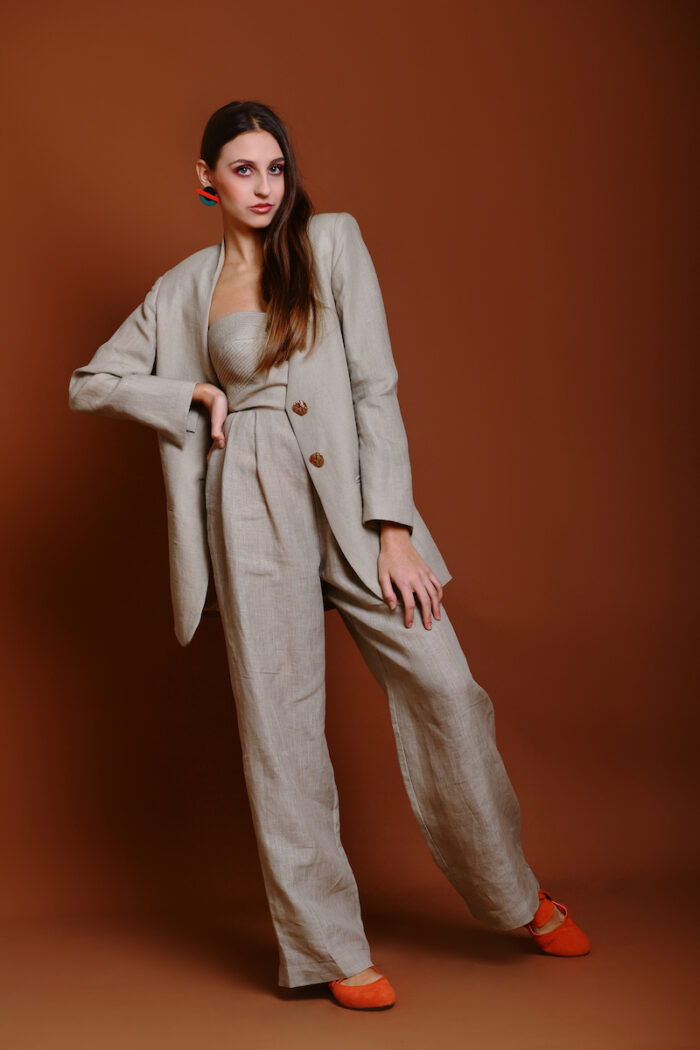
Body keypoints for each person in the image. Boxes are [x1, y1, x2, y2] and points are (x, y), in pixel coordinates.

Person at [68, 99, 590, 1011]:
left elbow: (373, 383)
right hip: (251, 507)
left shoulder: (332, 243)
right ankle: (329, 950)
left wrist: (393, 526)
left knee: (446, 690)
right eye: (243, 170)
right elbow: (91, 382)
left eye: (275, 168)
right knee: (281, 733)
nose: (265, 186)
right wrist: (190, 393)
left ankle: (514, 895)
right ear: (205, 181)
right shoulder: (185, 287)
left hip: (353, 501)